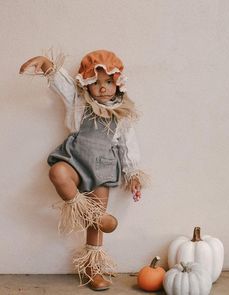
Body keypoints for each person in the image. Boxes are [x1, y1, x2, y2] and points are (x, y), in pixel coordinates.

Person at [19, 49, 147, 291]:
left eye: (108, 82)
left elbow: (129, 145)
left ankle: (93, 270)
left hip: (103, 170)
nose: (102, 88)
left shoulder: (122, 115)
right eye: (95, 82)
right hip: (76, 161)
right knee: (57, 172)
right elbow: (62, 84)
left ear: (117, 83)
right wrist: (46, 64)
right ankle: (97, 217)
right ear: (86, 84)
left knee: (94, 229)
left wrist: (133, 174)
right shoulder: (79, 102)